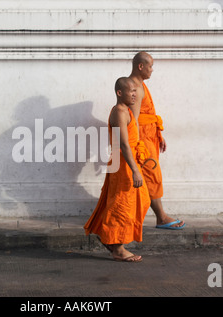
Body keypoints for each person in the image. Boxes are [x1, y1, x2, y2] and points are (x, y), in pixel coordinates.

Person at [84, 77, 151, 262]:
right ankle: (118, 248)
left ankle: (108, 237)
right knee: (121, 205)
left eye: (136, 92)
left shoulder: (127, 110)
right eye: (131, 91)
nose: (134, 95)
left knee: (141, 200)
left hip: (126, 163)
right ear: (120, 93)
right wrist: (135, 170)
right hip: (124, 165)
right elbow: (123, 144)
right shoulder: (120, 112)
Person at [128, 51, 185, 230]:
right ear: (141, 66)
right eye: (150, 66)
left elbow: (147, 115)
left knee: (149, 177)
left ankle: (144, 217)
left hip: (150, 136)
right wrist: (137, 145)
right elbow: (135, 119)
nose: (152, 70)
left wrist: (158, 134)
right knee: (152, 176)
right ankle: (161, 217)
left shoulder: (140, 85)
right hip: (142, 140)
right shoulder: (135, 87)